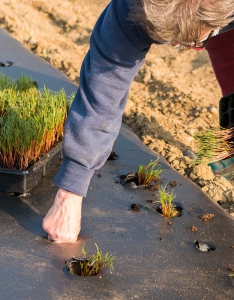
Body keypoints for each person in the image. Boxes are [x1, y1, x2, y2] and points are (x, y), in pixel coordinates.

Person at [42, 0, 234, 243]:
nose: (175, 45)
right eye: (171, 37)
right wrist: (70, 190)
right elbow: (105, 83)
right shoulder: (132, 7)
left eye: (186, 39)